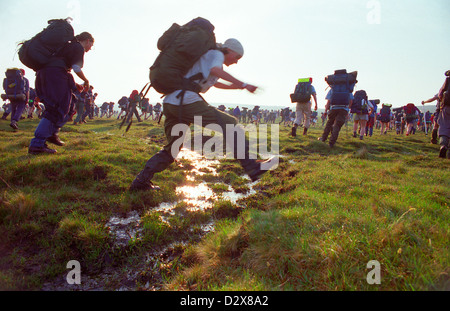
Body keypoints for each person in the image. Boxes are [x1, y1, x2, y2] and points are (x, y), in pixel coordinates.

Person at [130, 38, 277, 191]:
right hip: (186, 101)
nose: (236, 62)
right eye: (237, 57)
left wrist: (238, 87)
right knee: (230, 123)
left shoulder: (209, 57)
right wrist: (243, 84)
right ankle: (252, 167)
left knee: (172, 148)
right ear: (229, 50)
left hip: (172, 103)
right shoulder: (216, 54)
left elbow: (215, 82)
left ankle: (141, 181)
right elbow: (215, 70)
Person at [28, 31, 94, 154]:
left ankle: (52, 133)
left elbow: (60, 66)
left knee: (70, 103)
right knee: (55, 109)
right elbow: (75, 67)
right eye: (91, 45)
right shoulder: (77, 46)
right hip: (54, 76)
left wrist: (73, 85)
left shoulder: (67, 46)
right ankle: (37, 144)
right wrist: (86, 80)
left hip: (47, 75)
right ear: (88, 40)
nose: (90, 49)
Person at [318, 70, 356, 148]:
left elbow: (328, 101)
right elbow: (351, 100)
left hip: (333, 107)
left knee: (329, 123)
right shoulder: (348, 88)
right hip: (343, 108)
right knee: (337, 125)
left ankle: (323, 139)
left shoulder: (333, 88)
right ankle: (331, 143)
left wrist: (325, 110)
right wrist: (348, 109)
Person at [436, 71, 450, 158]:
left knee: (444, 127)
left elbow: (440, 95)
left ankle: (443, 145)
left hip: (446, 108)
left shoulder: (447, 81)